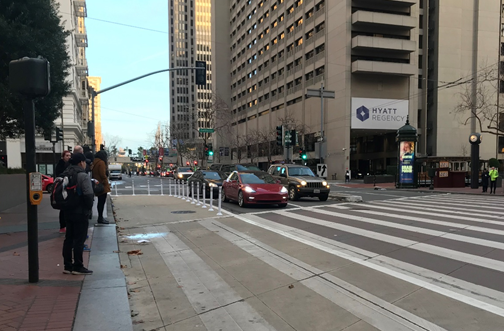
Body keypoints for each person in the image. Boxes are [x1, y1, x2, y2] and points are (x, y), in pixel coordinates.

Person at [61, 153, 94, 275]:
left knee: (69, 238)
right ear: (81, 162)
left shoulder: (66, 173)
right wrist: (88, 208)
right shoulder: (82, 175)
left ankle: (67, 265)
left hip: (67, 210)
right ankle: (78, 265)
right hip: (80, 212)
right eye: (85, 162)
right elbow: (88, 194)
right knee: (79, 239)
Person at [92, 150, 111, 224]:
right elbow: (103, 174)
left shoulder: (95, 162)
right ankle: (100, 217)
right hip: (102, 185)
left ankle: (100, 217)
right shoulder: (101, 163)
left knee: (100, 201)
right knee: (102, 202)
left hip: (96, 183)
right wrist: (106, 182)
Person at [55, 150, 71, 234]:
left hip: (68, 188)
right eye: (67, 155)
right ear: (63, 157)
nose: (68, 157)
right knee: (63, 208)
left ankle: (67, 225)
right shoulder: (60, 165)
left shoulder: (70, 165)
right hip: (62, 188)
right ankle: (62, 226)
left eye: (69, 155)